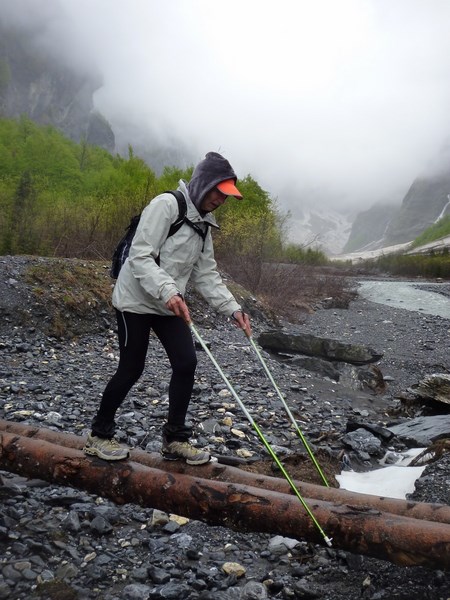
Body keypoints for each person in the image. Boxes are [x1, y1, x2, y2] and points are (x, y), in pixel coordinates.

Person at [84, 152, 251, 465]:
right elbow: (140, 256)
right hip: (135, 300)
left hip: (167, 303)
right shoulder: (166, 205)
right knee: (131, 368)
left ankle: (174, 440)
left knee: (186, 363)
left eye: (226, 196)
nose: (221, 200)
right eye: (218, 192)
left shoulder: (204, 226)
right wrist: (169, 291)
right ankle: (99, 435)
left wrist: (233, 308)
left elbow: (206, 274)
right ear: (204, 185)